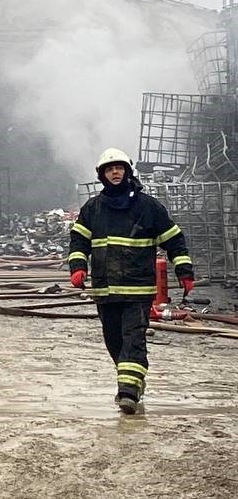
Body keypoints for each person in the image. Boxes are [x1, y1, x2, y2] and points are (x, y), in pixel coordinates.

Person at [68, 148, 193, 415]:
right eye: (110, 169)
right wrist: (78, 267)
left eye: (120, 168)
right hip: (105, 290)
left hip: (138, 291)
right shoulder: (92, 209)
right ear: (102, 175)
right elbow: (79, 241)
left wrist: (184, 271)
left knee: (133, 339)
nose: (115, 172)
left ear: (127, 172)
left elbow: (174, 240)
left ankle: (128, 393)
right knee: (114, 341)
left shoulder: (148, 207)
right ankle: (133, 380)